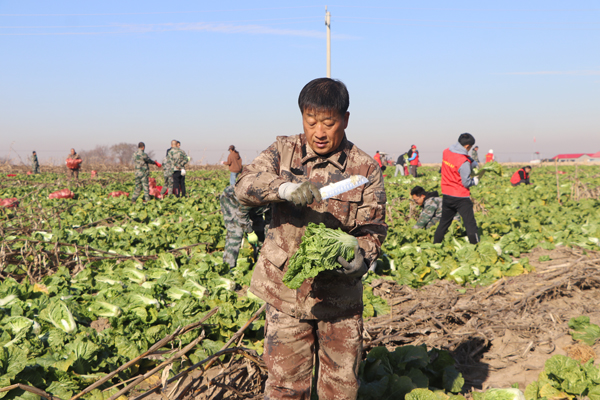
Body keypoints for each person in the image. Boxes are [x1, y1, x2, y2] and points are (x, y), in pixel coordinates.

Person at [234, 78, 387, 399]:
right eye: (311, 121)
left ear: (345, 119)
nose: (319, 132)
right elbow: (244, 185)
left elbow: (373, 228)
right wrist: (283, 188)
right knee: (285, 388)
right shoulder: (282, 151)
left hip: (339, 299)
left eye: (328, 123)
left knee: (340, 389)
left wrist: (360, 257)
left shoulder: (364, 169)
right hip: (284, 293)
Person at [433, 133, 480, 245]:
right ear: (467, 146)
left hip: (447, 194)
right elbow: (466, 182)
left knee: (444, 222)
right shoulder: (463, 162)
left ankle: (435, 244)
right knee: (470, 224)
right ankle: (476, 246)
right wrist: (474, 181)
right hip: (461, 197)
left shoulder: (446, 152)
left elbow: (455, 155)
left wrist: (470, 160)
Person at [220, 186, 269, 269]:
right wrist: (250, 232)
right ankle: (228, 268)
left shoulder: (276, 201)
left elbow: (269, 221)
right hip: (232, 199)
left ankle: (259, 264)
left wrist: (268, 237)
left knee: (260, 230)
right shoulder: (255, 195)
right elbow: (241, 214)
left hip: (254, 207)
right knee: (236, 233)